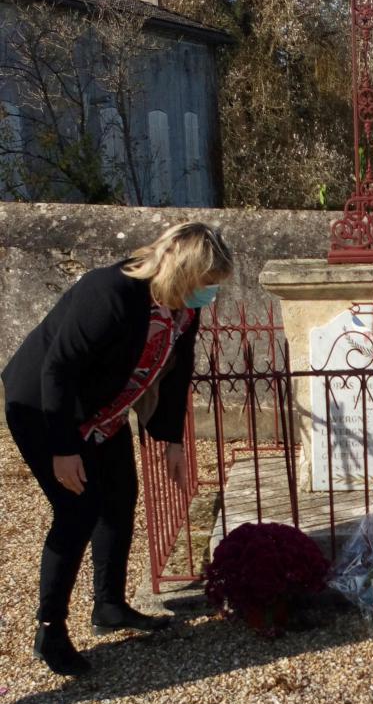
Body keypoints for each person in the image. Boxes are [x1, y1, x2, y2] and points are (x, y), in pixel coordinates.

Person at [3, 221, 234, 676]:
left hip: (103, 413)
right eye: (205, 284)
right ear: (182, 272)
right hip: (44, 408)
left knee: (120, 499)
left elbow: (177, 370)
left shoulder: (183, 307)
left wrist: (170, 440)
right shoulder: (109, 292)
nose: (209, 295)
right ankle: (50, 630)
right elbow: (58, 369)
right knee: (77, 511)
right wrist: (63, 447)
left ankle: (108, 606)